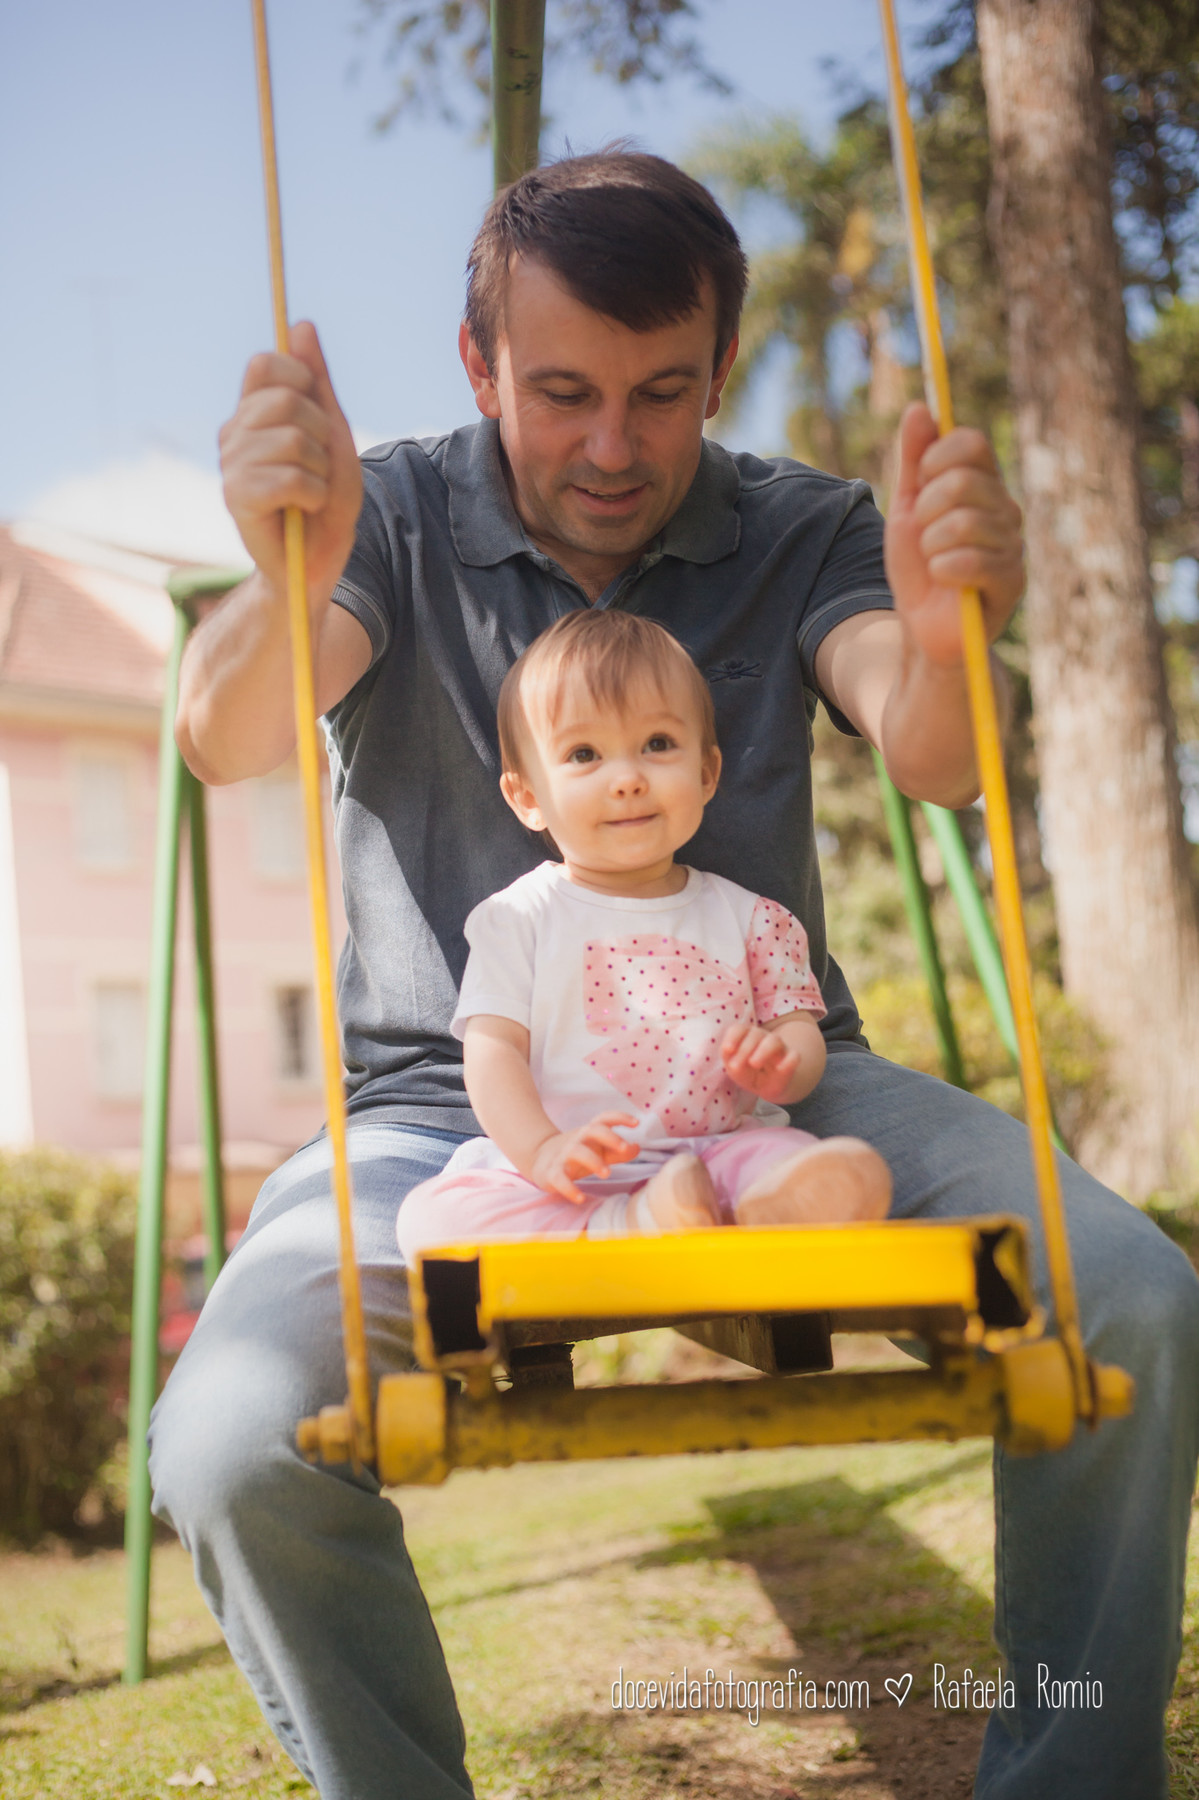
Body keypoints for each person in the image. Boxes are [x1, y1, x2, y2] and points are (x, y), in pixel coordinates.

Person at [149, 150, 1199, 1800]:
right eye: (560, 392)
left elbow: (931, 760)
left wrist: (938, 645)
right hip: (449, 1115)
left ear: (717, 363)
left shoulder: (799, 525)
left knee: (1132, 1292)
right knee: (227, 1444)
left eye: (661, 392)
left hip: (766, 1080)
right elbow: (221, 734)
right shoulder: (398, 507)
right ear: (476, 362)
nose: (613, 448)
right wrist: (283, 566)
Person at [397, 608, 892, 1257]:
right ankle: (627, 1227)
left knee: (807, 1158)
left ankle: (749, 1211)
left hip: (719, 1152)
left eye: (657, 744)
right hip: (579, 1165)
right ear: (526, 798)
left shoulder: (752, 918)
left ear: (707, 772)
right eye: (583, 754)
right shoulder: (518, 919)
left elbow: (797, 1034)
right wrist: (543, 1149)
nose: (627, 777)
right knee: (431, 1222)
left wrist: (781, 1068)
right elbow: (492, 1055)